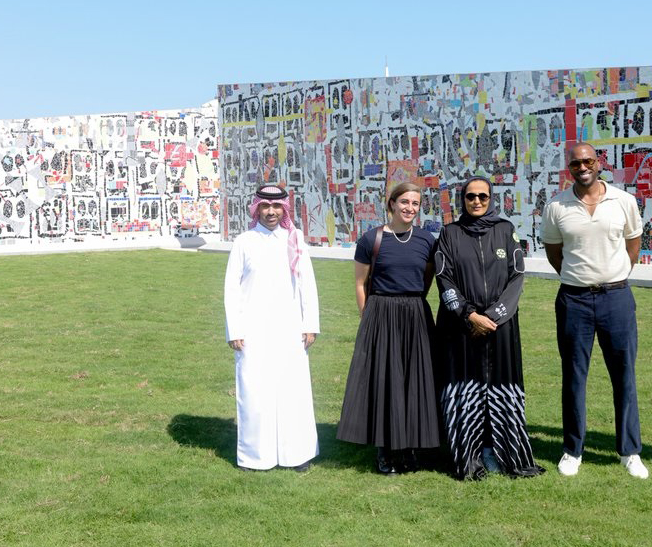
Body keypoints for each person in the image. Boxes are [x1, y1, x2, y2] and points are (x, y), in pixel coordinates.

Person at [541, 143, 648, 479]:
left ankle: (629, 451)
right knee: (574, 376)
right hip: (574, 300)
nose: (582, 167)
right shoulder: (557, 205)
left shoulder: (623, 201)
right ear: (569, 168)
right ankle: (572, 450)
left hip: (616, 297)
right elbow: (554, 252)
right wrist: (580, 277)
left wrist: (613, 274)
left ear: (598, 163)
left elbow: (633, 245)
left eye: (588, 161)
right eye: (576, 163)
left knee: (624, 375)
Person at [433, 177, 544, 480]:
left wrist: (493, 316)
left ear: (491, 198)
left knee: (499, 388)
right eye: (471, 197)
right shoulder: (449, 234)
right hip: (461, 328)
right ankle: (467, 453)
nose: (477, 201)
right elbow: (445, 280)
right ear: (463, 200)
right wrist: (469, 315)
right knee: (465, 389)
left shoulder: (506, 230)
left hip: (501, 327)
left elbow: (517, 277)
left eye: (483, 196)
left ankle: (500, 450)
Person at [337, 182, 440, 474]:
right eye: (404, 202)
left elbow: (426, 279)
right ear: (392, 203)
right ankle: (385, 449)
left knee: (414, 380)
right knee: (386, 380)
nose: (409, 208)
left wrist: (413, 302)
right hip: (381, 313)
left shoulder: (426, 240)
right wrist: (366, 316)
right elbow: (360, 283)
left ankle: (409, 447)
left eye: (415, 203)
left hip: (416, 313)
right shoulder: (372, 239)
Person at [224, 184, 319, 472]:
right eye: (265, 206)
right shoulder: (244, 241)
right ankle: (255, 457)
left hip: (290, 327)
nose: (271, 212)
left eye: (277, 207)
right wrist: (235, 330)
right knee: (254, 391)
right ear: (256, 208)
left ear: (284, 209)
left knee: (292, 389)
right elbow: (231, 288)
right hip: (253, 329)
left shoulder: (295, 239)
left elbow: (307, 283)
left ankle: (297, 455)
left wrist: (310, 323)